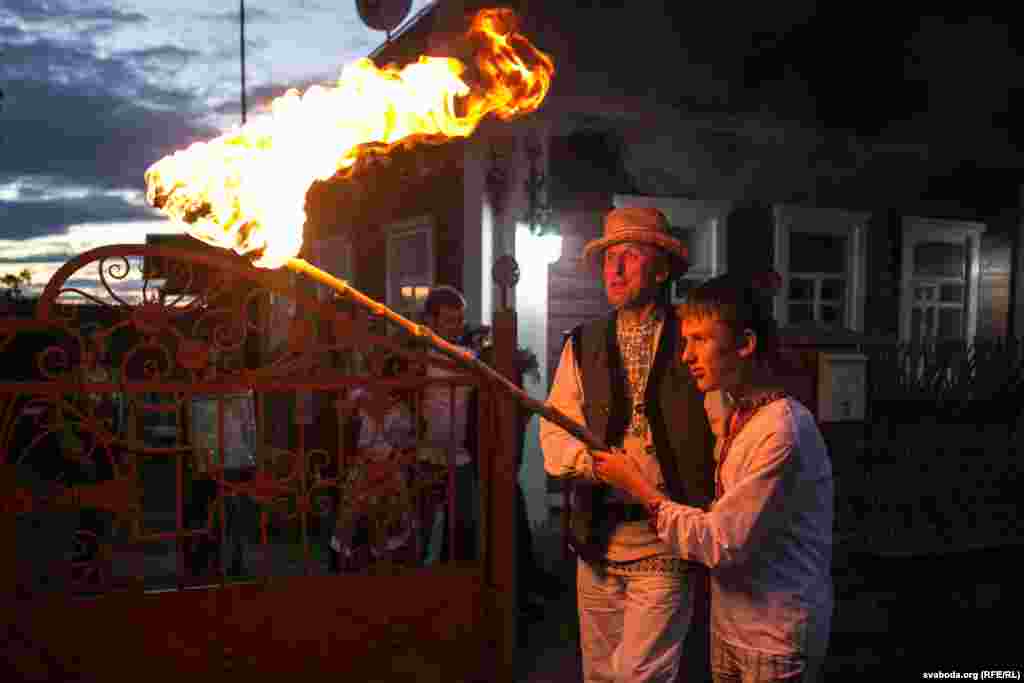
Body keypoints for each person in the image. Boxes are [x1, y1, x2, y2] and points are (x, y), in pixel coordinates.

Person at [593, 272, 834, 683]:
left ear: (745, 344)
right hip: (732, 627)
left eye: (700, 339)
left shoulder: (782, 429)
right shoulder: (738, 413)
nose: (686, 355)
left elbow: (722, 541)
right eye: (685, 340)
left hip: (773, 636)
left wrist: (636, 484)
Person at [540, 207, 715, 683]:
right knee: (599, 674)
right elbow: (554, 432)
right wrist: (594, 467)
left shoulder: (694, 336)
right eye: (609, 258)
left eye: (630, 256)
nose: (614, 270)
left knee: (641, 676)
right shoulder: (583, 343)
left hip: (666, 542)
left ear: (661, 269)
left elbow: (725, 430)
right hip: (597, 539)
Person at [420, 285, 479, 564]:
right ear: (430, 321)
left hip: (459, 456)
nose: (457, 327)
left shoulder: (467, 356)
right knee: (421, 523)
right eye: (449, 320)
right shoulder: (416, 357)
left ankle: (455, 582)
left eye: (460, 320)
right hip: (423, 454)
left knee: (461, 527)